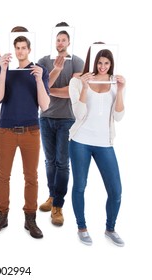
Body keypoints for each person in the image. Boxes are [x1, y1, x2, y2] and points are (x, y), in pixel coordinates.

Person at [0, 30, 50, 239]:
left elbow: (45, 105)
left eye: (24, 48)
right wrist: (3, 70)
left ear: (29, 50)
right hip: (6, 130)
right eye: (17, 48)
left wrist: (40, 80)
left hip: (31, 130)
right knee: (3, 175)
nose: (20, 51)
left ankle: (30, 218)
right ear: (14, 50)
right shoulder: (5, 70)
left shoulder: (39, 71)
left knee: (31, 177)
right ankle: (1, 215)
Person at [69, 45, 125, 246]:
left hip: (104, 143)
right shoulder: (77, 81)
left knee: (116, 191)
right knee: (80, 186)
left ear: (111, 63)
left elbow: (118, 116)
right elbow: (79, 114)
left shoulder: (114, 82)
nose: (102, 66)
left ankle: (110, 228)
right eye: (99, 62)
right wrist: (84, 87)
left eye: (106, 63)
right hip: (80, 141)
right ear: (93, 62)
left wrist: (120, 90)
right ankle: (82, 227)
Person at [37, 22, 84, 226]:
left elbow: (72, 91)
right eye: (57, 39)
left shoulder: (78, 62)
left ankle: (58, 205)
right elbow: (39, 87)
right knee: (49, 162)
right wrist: (47, 88)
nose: (60, 42)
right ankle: (52, 195)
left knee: (62, 163)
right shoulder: (43, 61)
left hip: (67, 118)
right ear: (54, 41)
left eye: (63, 39)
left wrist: (49, 90)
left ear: (69, 41)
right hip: (46, 117)